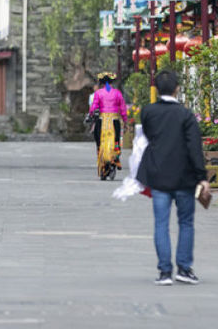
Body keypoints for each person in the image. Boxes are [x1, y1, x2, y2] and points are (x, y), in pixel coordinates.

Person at [136, 69, 208, 286]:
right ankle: (184, 269)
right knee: (186, 222)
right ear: (177, 88)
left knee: (161, 224)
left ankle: (165, 272)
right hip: (184, 177)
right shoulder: (186, 115)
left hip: (159, 175)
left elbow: (149, 137)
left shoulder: (148, 112)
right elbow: (194, 147)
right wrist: (202, 177)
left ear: (156, 89)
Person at [87, 72, 127, 173]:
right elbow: (122, 108)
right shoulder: (117, 93)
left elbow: (94, 107)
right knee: (116, 140)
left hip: (102, 120)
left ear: (101, 83)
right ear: (111, 82)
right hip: (114, 120)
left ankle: (102, 161)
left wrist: (90, 114)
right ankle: (116, 159)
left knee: (99, 141)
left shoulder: (98, 93)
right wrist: (125, 121)